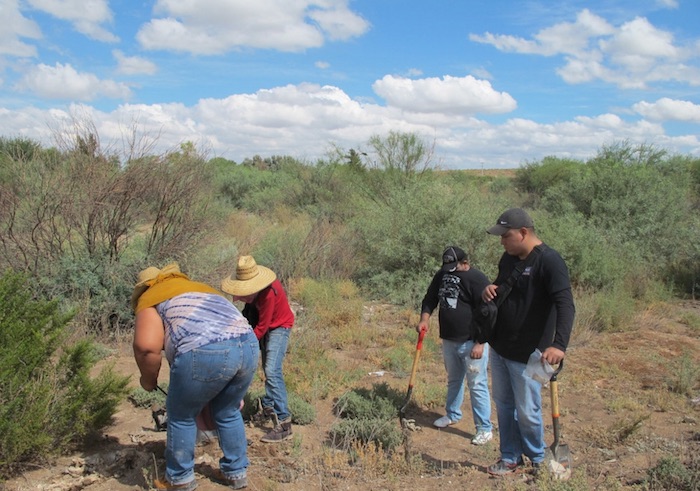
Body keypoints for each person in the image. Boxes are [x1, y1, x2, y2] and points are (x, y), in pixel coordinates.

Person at [132, 263, 258, 491]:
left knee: (181, 416)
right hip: (248, 344)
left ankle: (180, 479)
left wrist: (148, 380)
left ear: (144, 289)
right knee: (228, 411)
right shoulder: (198, 288)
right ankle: (236, 473)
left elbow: (146, 348)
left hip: (205, 350)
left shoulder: (152, 298)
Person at [481, 208, 575, 476]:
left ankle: (538, 458)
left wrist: (559, 345)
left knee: (528, 411)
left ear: (524, 233)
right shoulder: (508, 258)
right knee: (504, 405)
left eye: (506, 236)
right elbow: (502, 286)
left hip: (530, 354)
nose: (502, 241)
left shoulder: (550, 261)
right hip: (500, 347)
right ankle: (510, 456)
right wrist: (491, 288)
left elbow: (566, 304)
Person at [418, 246, 494, 445]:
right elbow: (430, 298)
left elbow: (489, 311)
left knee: (477, 384)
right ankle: (452, 414)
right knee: (454, 379)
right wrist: (424, 319)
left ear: (465, 263)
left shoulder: (477, 279)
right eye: (447, 266)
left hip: (471, 343)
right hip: (449, 340)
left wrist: (481, 342)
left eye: (454, 266)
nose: (449, 270)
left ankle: (484, 428)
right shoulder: (442, 274)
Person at [221, 255, 295, 443]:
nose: (238, 296)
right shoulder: (255, 291)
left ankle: (284, 422)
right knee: (266, 369)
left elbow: (262, 327)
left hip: (280, 327)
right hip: (267, 326)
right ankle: (269, 407)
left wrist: (243, 346)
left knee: (272, 370)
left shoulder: (269, 293)